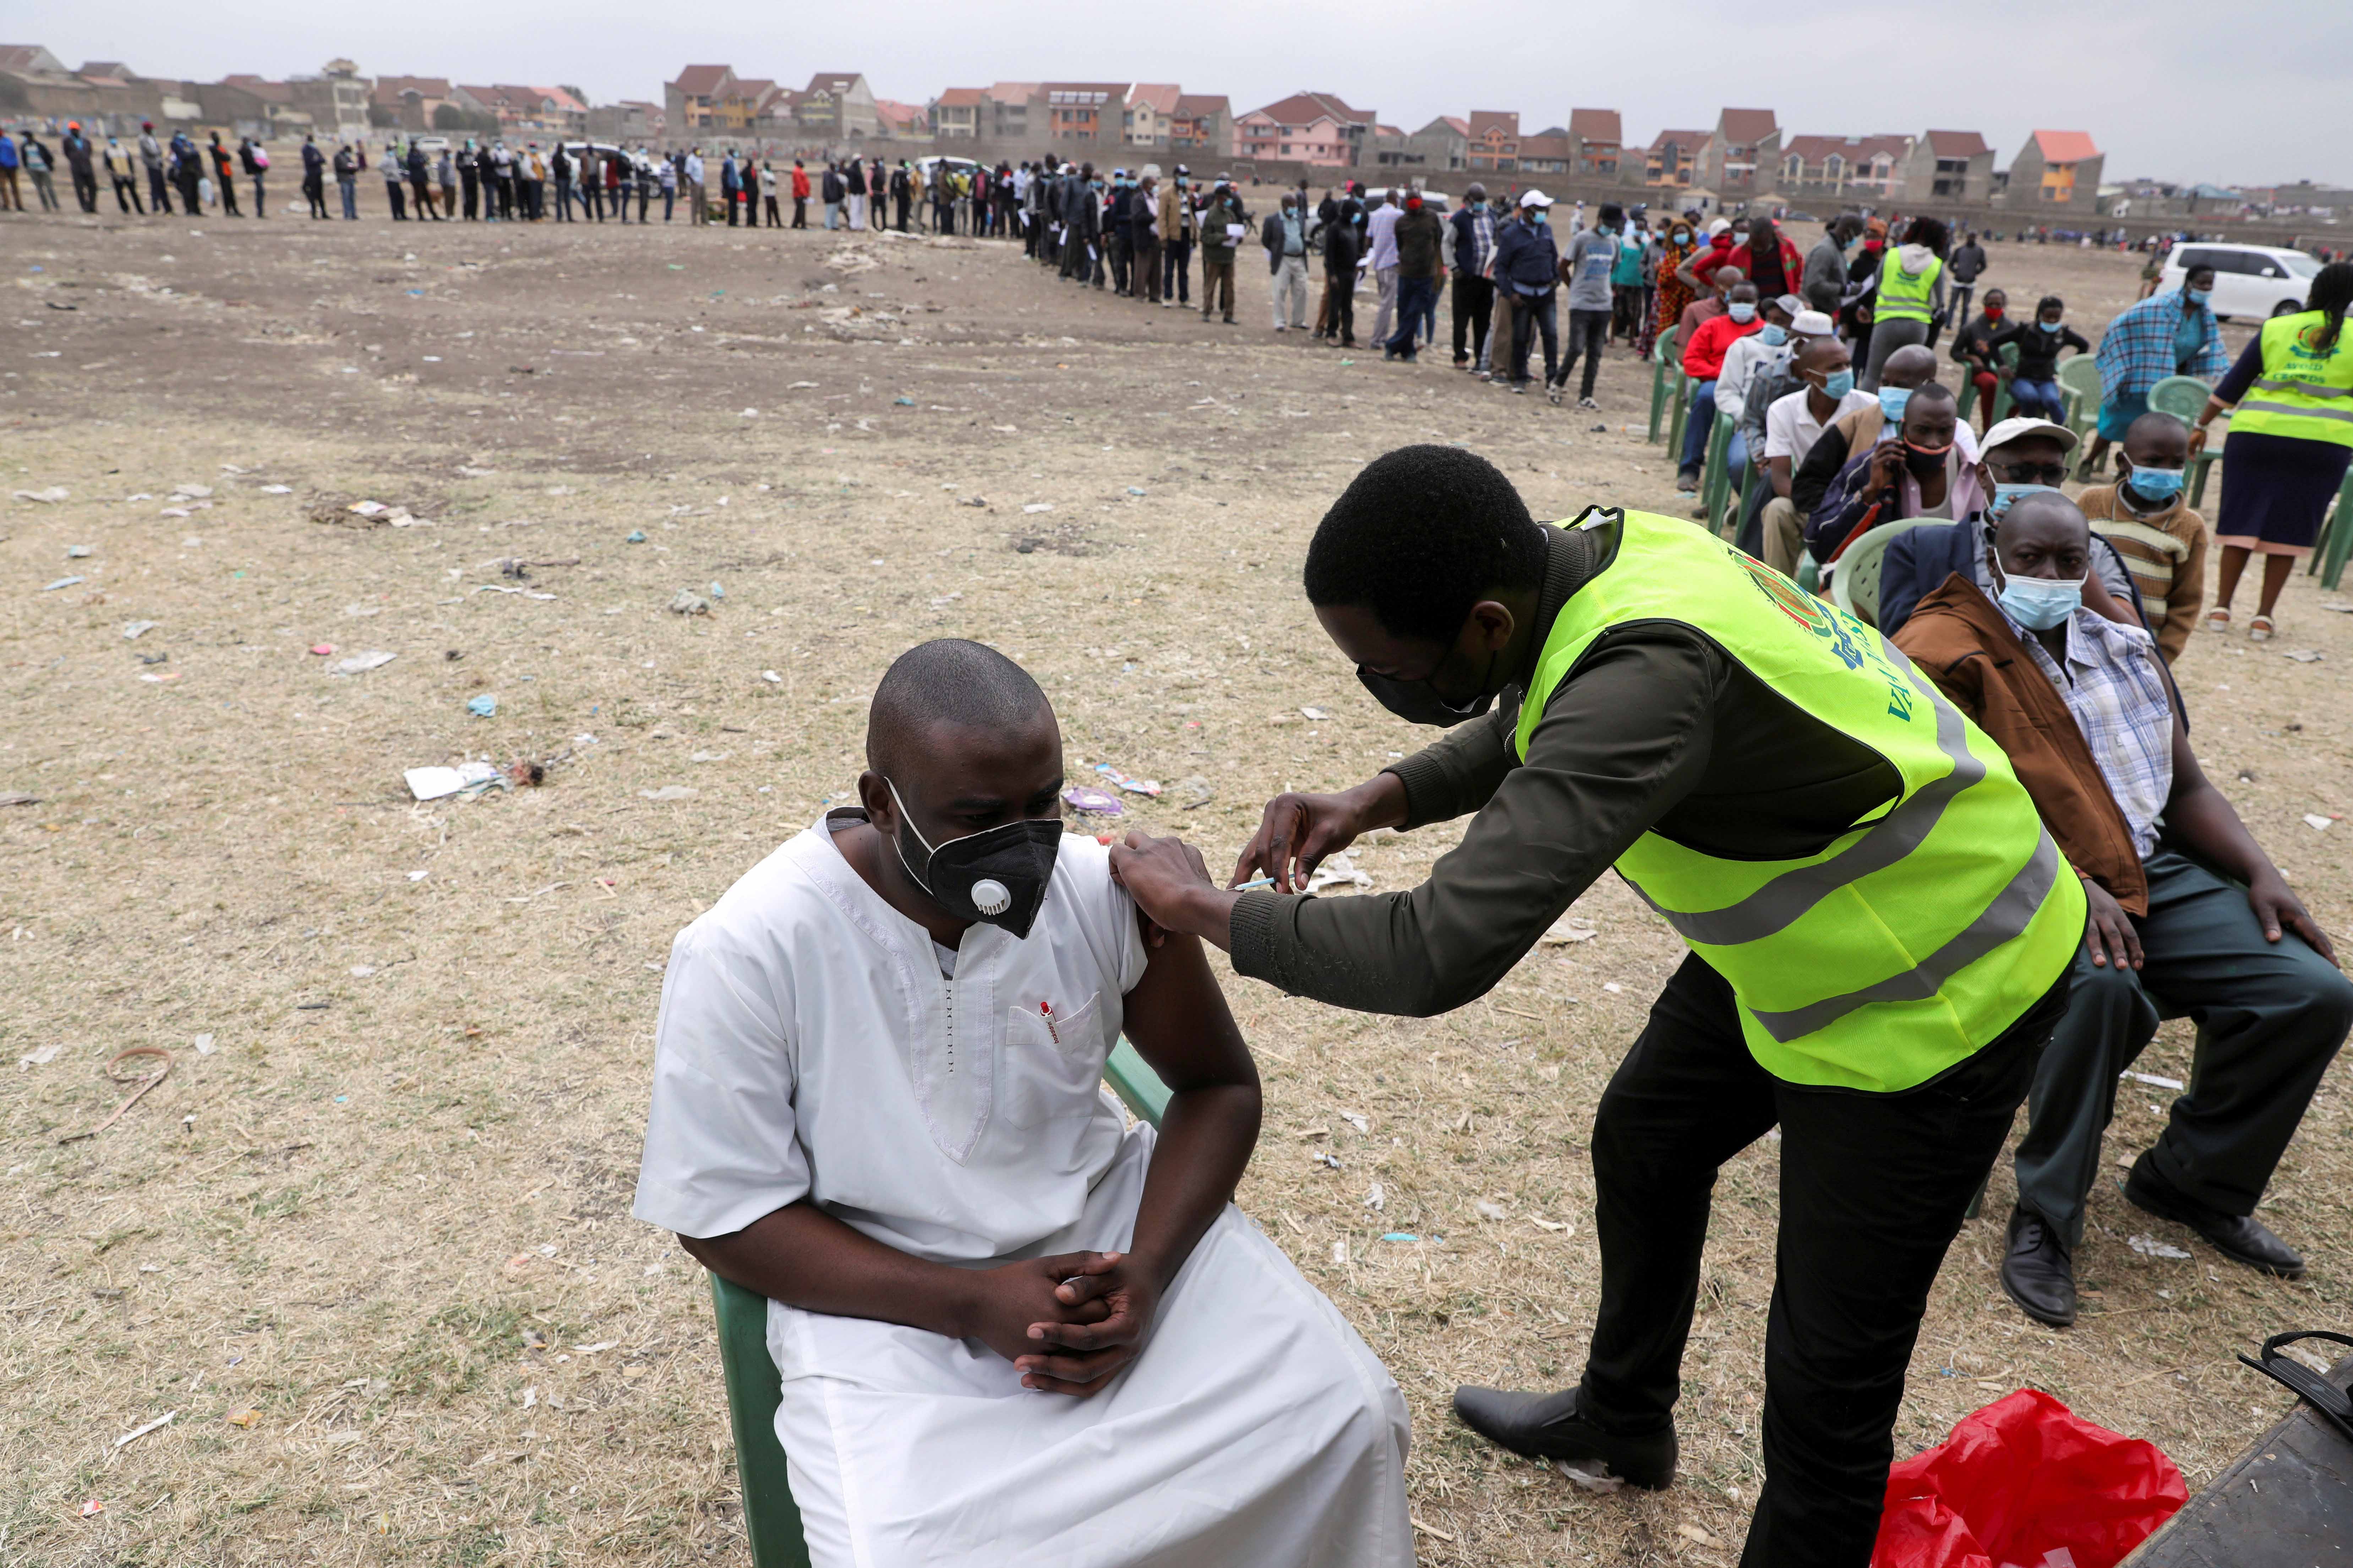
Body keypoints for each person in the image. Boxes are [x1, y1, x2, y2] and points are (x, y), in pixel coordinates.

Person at [1105, 445, 2085, 1564]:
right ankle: (1624, 1415)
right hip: (1817, 933)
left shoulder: (1643, 673)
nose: (1381, 686)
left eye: (1389, 669)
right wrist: (1378, 797)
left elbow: (1436, 950)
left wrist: (1202, 906)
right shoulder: (1597, 558)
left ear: (1483, 620)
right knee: (1647, 1136)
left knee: (1827, 1393)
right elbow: (1537, 712)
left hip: (1933, 987)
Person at [633, 640, 1413, 1568]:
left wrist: (1150, 1270)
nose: (1026, 841)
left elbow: (1217, 1086)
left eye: (1043, 803)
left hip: (1112, 1241)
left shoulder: (1099, 891)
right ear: (881, 802)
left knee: (1343, 1418)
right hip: (887, 1306)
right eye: (978, 816)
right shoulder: (749, 949)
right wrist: (969, 1302)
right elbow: (722, 1216)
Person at [1891, 494, 2348, 1331]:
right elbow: (1944, 808)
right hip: (2020, 876)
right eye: (2029, 559)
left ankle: (2190, 1182)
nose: (2049, 577)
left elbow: (2185, 787)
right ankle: (2044, 1218)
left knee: (2311, 991)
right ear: (1993, 555)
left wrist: (2259, 871)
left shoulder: (2120, 646)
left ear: (2090, 564)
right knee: (2102, 991)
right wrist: (2070, 879)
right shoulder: (1946, 649)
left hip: (2144, 868)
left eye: (2068, 562)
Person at [2191, 261, 2353, 641]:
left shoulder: (2277, 328)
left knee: (2240, 520)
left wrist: (2200, 427)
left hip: (2256, 437)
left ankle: (2221, 609)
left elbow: (2229, 389)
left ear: (2312, 290)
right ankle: (2263, 618)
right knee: (2291, 527)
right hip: (2325, 444)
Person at [2078, 412, 2206, 662]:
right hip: (2081, 641)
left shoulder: (2190, 526)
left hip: (2141, 653)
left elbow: (2186, 603)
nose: (2165, 471)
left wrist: (2162, 657)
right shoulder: (2091, 504)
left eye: (2176, 464)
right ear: (2123, 462)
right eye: (2153, 461)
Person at [2081, 265, 2227, 479]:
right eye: (2201, 283)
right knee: (2115, 425)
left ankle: (2126, 472)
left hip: (2170, 381)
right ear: (2188, 284)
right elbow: (2120, 326)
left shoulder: (2204, 316)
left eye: (2210, 284)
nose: (2206, 288)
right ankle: (2089, 461)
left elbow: (2206, 347)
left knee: (2148, 434)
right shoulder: (2160, 306)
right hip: (2140, 375)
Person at [1758, 334, 1874, 574]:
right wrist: (1823, 508)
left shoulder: (1869, 408)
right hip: (1809, 500)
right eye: (1835, 368)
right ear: (1809, 375)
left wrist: (1840, 509)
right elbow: (1780, 481)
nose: (1845, 372)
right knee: (1777, 511)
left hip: (1854, 504)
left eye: (1847, 365)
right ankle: (1780, 592)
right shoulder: (1783, 410)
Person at [1676, 283, 1763, 493]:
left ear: (1756, 304)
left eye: (1748, 302)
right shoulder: (1712, 327)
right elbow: (1691, 361)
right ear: (1728, 302)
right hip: (1718, 382)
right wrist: (1723, 374)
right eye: (1737, 301)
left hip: (1754, 387)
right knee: (1705, 398)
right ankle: (1690, 467)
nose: (1742, 305)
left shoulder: (1765, 332)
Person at [1859, 218, 1947, 392]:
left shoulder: (1891, 255)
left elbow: (1878, 285)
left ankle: (1867, 414)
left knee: (1873, 375)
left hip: (1887, 322)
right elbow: (1939, 303)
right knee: (1910, 378)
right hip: (1918, 326)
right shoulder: (1937, 265)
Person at [1492, 190, 1562, 395]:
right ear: (1527, 211)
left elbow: (1553, 257)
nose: (1544, 213)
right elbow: (1501, 268)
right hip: (1522, 295)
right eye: (1540, 210)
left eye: (1545, 210)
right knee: (1520, 337)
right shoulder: (1511, 235)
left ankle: (1552, 377)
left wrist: (1555, 279)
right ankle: (1520, 378)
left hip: (1545, 294)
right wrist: (1509, 293)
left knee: (1550, 335)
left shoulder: (1546, 230)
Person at [1556, 202, 1621, 409]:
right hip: (1581, 303)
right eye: (1607, 224)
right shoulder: (1582, 239)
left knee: (1595, 352)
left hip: (1603, 304)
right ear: (1599, 219)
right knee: (1576, 348)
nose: (1610, 229)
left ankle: (1586, 395)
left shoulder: (1615, 241)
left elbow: (1612, 267)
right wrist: (1573, 287)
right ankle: (1557, 385)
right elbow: (1564, 266)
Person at [1993, 296, 2091, 423]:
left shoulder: (2062, 334)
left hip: (2046, 380)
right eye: (2048, 317)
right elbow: (1994, 343)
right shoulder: (2026, 331)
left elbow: (2084, 345)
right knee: (2030, 398)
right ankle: (2029, 431)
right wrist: (2001, 365)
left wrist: (2068, 369)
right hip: (2023, 379)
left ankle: (2065, 432)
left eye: (2056, 318)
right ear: (2040, 315)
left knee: (2052, 401)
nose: (2052, 321)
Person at [1383, 191, 1444, 361]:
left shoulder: (1432, 218)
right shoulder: (1401, 222)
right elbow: (1400, 245)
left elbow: (1438, 242)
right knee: (1404, 313)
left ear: (1422, 200)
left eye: (1416, 199)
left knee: (1415, 312)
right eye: (1410, 200)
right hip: (1406, 274)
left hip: (1426, 275)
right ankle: (1408, 351)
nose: (1414, 203)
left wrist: (1439, 270)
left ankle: (1392, 345)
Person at [1949, 289, 2013, 437]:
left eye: (1998, 305)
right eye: (1990, 304)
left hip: (2003, 371)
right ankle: (1988, 429)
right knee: (1991, 384)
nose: (1994, 308)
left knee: (2017, 387)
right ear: (1984, 305)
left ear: (2004, 305)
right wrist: (1972, 358)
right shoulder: (1972, 329)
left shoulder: (2012, 329)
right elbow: (1955, 352)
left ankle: (2004, 425)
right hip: (1982, 372)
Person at [1449, 184, 1497, 369]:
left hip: (1486, 279)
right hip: (1465, 278)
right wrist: (1454, 267)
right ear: (1469, 200)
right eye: (1476, 200)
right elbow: (1447, 244)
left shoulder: (1493, 216)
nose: (1479, 204)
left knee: (1483, 320)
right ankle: (1460, 356)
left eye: (1482, 200)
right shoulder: (1460, 219)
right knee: (1461, 319)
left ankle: (1480, 358)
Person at [1317, 185, 1362, 347]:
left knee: (1348, 306)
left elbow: (1355, 249)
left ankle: (1348, 336)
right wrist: (1332, 275)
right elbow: (1329, 255)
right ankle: (1331, 333)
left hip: (1351, 273)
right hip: (1338, 273)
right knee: (1334, 305)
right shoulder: (1335, 228)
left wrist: (1359, 266)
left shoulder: (1352, 227)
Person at [1653, 214, 1703, 354]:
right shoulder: (1670, 254)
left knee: (1688, 326)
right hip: (1671, 297)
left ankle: (1685, 354)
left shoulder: (1696, 253)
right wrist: (1676, 276)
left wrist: (1687, 278)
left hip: (1690, 297)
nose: (1681, 236)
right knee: (1668, 326)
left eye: (1683, 233)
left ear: (1690, 234)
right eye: (1678, 234)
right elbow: (1664, 277)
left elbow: (1699, 273)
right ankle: (1667, 354)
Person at [1199, 179, 1244, 325]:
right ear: (1220, 198)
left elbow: (1235, 229)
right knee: (1210, 286)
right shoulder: (1211, 215)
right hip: (1214, 257)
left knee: (1229, 288)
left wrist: (1238, 238)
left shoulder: (1230, 214)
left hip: (1228, 257)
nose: (1229, 200)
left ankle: (1229, 315)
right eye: (1226, 198)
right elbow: (1205, 237)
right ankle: (1207, 312)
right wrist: (1223, 238)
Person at [1364, 192, 1403, 350]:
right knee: (1387, 305)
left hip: (1379, 265)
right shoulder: (1398, 215)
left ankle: (1382, 337)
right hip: (1390, 264)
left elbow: (1368, 240)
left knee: (1386, 302)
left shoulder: (1375, 215)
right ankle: (1377, 340)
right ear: (1396, 200)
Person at [1803, 215, 1861, 316]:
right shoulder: (1825, 251)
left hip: (1828, 310)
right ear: (1848, 231)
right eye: (1856, 235)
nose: (1855, 240)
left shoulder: (1838, 249)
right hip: (1816, 311)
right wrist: (1845, 290)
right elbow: (1814, 285)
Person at [1609, 206, 1647, 344]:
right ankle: (1612, 337)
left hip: (1638, 282)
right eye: (1638, 227)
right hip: (1622, 281)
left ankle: (1632, 338)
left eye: (1642, 228)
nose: (1640, 230)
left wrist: (1642, 245)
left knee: (1635, 313)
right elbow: (1618, 262)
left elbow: (1646, 261)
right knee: (1617, 310)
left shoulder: (1647, 244)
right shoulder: (1624, 241)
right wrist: (1613, 279)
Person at [1160, 168, 1194, 308]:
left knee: (1184, 270)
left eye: (1186, 176)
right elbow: (1162, 217)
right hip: (1172, 236)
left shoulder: (1189, 194)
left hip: (1185, 236)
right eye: (1182, 176)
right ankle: (1168, 297)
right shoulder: (1167, 194)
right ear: (1175, 177)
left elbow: (1191, 214)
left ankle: (1184, 298)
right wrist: (1163, 237)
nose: (1184, 179)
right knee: (1169, 269)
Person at [1132, 169, 1162, 306]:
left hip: (1157, 237)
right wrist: (1153, 217)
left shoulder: (1157, 198)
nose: (1155, 187)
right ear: (1146, 186)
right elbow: (1137, 217)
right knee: (1142, 267)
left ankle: (1155, 294)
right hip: (1144, 237)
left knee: (1157, 268)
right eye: (1152, 184)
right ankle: (1140, 293)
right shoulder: (1138, 199)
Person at [1948, 231, 1989, 322]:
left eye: (1974, 237)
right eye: (1971, 237)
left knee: (1966, 307)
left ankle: (1963, 326)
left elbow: (1984, 265)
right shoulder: (1960, 250)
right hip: (1958, 281)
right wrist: (1956, 272)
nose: (1972, 239)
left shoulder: (1979, 251)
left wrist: (1975, 273)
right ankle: (1948, 324)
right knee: (1953, 305)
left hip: (1970, 283)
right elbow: (1951, 264)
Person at [62, 122, 99, 214]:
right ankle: (85, 206)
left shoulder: (86, 141)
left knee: (93, 187)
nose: (74, 131)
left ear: (79, 130)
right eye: (72, 130)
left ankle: (92, 206)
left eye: (75, 130)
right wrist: (75, 160)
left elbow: (90, 153)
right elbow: (67, 153)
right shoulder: (67, 141)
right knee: (80, 188)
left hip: (88, 167)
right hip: (76, 168)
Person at [103, 137, 142, 214]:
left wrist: (132, 172)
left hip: (128, 175)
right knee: (120, 194)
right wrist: (113, 174)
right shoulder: (108, 151)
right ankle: (125, 209)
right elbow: (107, 165)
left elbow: (130, 161)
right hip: (117, 176)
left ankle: (140, 210)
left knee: (134, 193)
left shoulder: (123, 149)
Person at [138, 122, 168, 214]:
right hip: (152, 165)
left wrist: (159, 154)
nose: (152, 131)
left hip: (158, 164)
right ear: (146, 129)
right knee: (155, 186)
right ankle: (155, 207)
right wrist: (158, 153)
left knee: (161, 186)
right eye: (151, 129)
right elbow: (151, 152)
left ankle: (166, 207)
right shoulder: (143, 139)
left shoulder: (152, 138)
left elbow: (158, 149)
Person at [208, 132, 240, 216]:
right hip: (222, 172)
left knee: (230, 192)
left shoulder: (220, 148)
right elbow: (225, 157)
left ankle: (234, 209)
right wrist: (226, 156)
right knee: (226, 192)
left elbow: (228, 157)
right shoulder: (214, 148)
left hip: (227, 171)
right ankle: (228, 210)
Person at [240, 136, 268, 218]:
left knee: (261, 192)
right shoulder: (247, 151)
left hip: (258, 172)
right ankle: (260, 212)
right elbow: (252, 162)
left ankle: (261, 212)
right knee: (260, 192)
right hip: (256, 173)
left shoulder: (250, 151)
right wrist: (262, 167)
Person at [300, 134, 327, 219]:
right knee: (310, 192)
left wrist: (317, 160)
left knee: (320, 194)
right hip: (311, 174)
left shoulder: (315, 150)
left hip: (318, 174)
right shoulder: (306, 150)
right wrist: (317, 160)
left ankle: (323, 213)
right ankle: (314, 213)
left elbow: (323, 160)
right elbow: (310, 161)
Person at [379, 143, 406, 220]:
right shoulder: (386, 158)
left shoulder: (393, 157)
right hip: (391, 181)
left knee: (400, 197)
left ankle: (402, 214)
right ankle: (396, 216)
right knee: (394, 199)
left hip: (397, 180)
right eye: (391, 150)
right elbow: (380, 167)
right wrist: (388, 173)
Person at [0, 129, 23, 214]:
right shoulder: (8, 141)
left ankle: (7, 204)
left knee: (3, 187)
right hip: (13, 166)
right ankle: (19, 205)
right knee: (14, 187)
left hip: (3, 168)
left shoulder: (6, 142)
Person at [790, 159, 810, 227]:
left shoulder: (799, 171)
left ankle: (795, 225)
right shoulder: (797, 172)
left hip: (800, 194)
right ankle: (803, 225)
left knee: (799, 210)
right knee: (801, 210)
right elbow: (799, 184)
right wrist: (804, 194)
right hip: (799, 194)